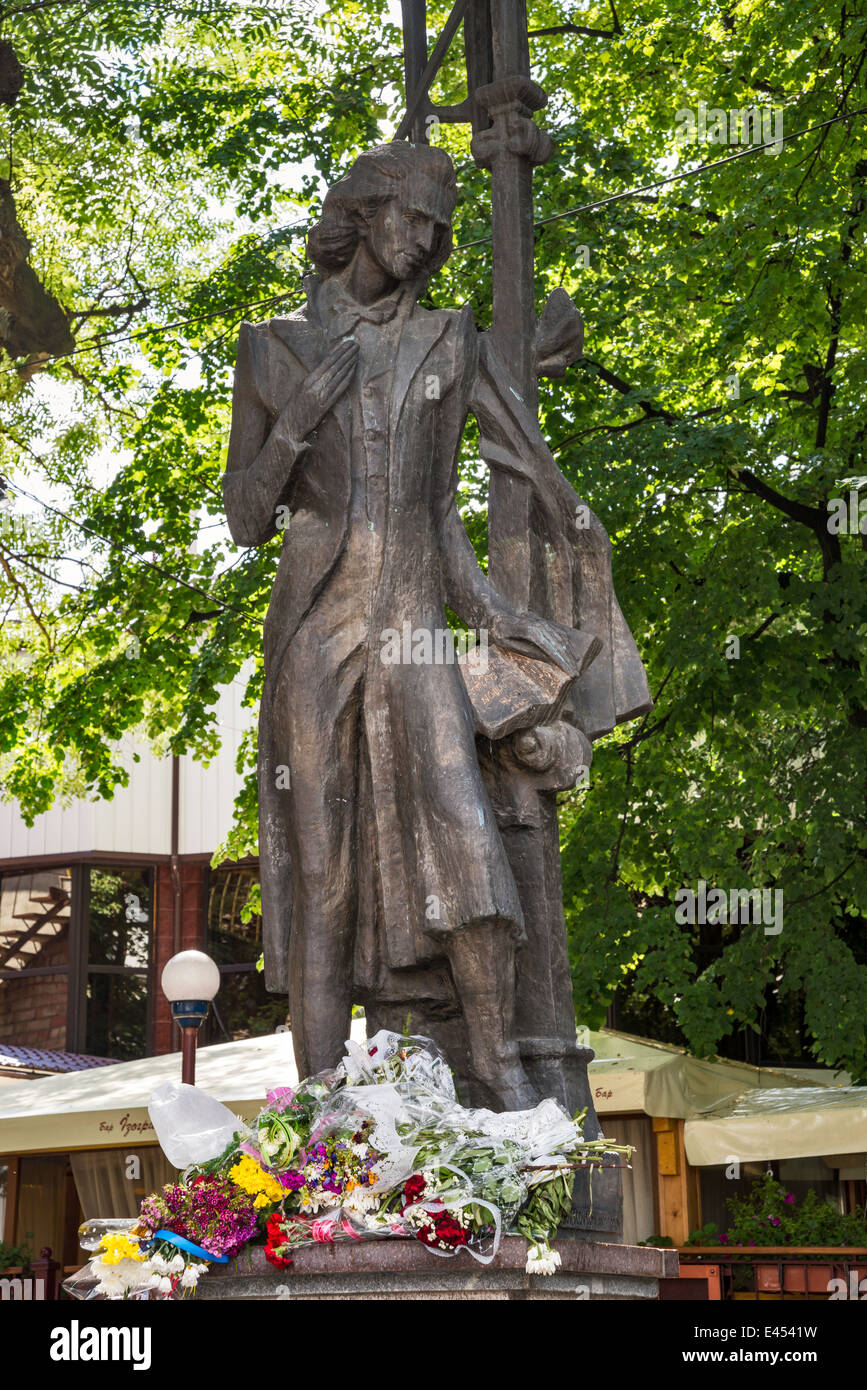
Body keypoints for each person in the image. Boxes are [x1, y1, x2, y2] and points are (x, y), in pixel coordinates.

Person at [224, 142, 594, 1109]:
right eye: (411, 219)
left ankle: (502, 1069)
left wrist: (499, 615)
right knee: (325, 871)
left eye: (438, 226)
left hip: (412, 626)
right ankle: (319, 1105)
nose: (425, 242)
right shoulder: (273, 346)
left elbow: (436, 512)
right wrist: (299, 419)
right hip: (315, 630)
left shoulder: (447, 336)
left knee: (463, 834)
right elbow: (243, 517)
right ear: (363, 213)